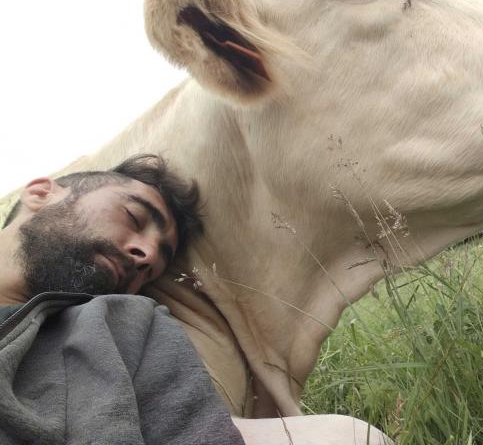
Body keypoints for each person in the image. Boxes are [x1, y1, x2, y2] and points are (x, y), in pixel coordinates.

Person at [0, 154, 392, 445]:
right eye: (134, 217)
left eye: (155, 267)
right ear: (40, 192)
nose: (147, 256)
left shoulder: (125, 328)